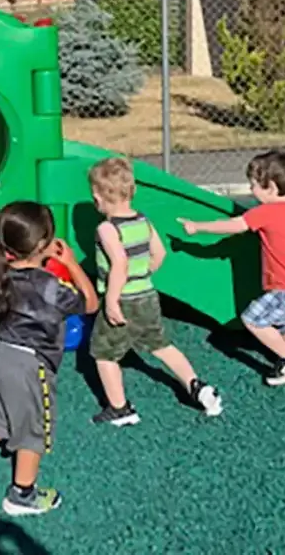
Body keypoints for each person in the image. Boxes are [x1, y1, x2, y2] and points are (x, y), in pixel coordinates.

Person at [0, 202, 99, 516]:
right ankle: (22, 494)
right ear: (43, 244)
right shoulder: (49, 286)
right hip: (29, 365)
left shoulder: (3, 275)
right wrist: (70, 262)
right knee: (32, 431)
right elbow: (90, 303)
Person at [86, 158, 223, 426]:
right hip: (147, 294)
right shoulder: (142, 220)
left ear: (97, 197)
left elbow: (119, 264)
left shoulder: (107, 228)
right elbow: (159, 253)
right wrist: (144, 274)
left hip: (123, 298)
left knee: (104, 355)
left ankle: (120, 408)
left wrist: (112, 300)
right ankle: (196, 386)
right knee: (161, 345)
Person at [179, 150, 285, 387]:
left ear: (272, 188)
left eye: (255, 185)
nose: (251, 190)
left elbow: (235, 225)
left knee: (253, 320)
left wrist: (198, 227)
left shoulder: (267, 211)